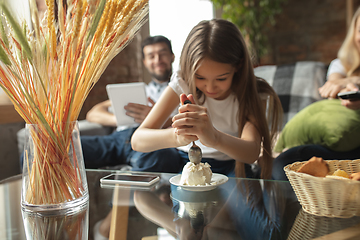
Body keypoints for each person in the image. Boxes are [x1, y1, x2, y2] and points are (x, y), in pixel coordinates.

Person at [131, 19, 283, 179]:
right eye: (200, 77)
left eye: (221, 79)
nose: (210, 88)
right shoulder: (183, 82)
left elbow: (251, 152)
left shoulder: (254, 92)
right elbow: (138, 140)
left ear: (238, 66)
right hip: (185, 160)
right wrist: (177, 137)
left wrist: (215, 137)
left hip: (232, 165)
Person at [272, 8, 360, 181]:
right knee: (284, 162)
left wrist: (354, 80)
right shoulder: (341, 64)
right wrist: (346, 88)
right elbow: (333, 85)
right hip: (340, 147)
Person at [81, 35, 175, 170]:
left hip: (151, 140)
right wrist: (119, 119)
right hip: (117, 140)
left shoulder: (180, 92)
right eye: (151, 56)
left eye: (162, 54)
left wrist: (156, 117)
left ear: (172, 57)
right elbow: (93, 113)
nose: (157, 60)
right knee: (68, 148)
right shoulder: (138, 92)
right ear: (144, 62)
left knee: (161, 156)